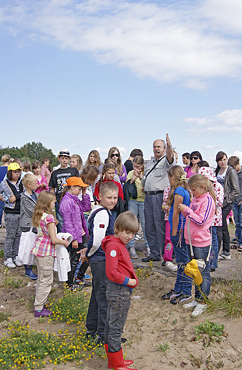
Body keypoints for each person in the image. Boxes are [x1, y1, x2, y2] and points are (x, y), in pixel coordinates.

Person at [79, 182, 118, 344]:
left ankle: (91, 329)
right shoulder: (102, 214)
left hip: (98, 259)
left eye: (115, 197)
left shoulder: (101, 211)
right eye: (108, 197)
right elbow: (97, 241)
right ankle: (103, 336)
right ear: (99, 197)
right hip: (100, 259)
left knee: (96, 295)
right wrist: (88, 254)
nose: (112, 200)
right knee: (103, 298)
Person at [102, 211, 139, 370]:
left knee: (112, 324)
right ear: (117, 228)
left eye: (133, 233)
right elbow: (112, 272)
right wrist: (129, 281)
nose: (129, 236)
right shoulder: (114, 245)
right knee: (116, 326)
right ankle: (116, 363)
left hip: (120, 290)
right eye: (127, 232)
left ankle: (114, 360)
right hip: (119, 291)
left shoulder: (118, 243)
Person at [179, 174, 216, 317]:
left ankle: (203, 302)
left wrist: (187, 211)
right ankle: (197, 298)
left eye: (194, 190)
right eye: (191, 190)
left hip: (201, 242)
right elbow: (192, 217)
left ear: (202, 187)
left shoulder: (207, 200)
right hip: (191, 241)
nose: (192, 193)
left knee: (203, 272)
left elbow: (201, 221)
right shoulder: (196, 199)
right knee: (195, 271)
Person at [31, 191, 70, 317]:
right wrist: (64, 242)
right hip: (46, 252)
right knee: (46, 280)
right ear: (48, 203)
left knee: (41, 277)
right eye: (53, 202)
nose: (55, 204)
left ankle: (40, 303)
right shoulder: (49, 218)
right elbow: (53, 239)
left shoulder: (39, 215)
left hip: (38, 249)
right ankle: (39, 307)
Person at [161, 166, 192, 304]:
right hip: (180, 229)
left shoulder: (179, 190)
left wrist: (174, 231)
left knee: (183, 262)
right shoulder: (182, 189)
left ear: (173, 177)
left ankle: (185, 292)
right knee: (180, 262)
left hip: (179, 230)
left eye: (169, 178)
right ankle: (178, 289)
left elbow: (176, 213)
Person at [142, 134, 174, 262]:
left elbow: (170, 157)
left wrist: (170, 146)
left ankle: (165, 254)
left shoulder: (166, 161)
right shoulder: (150, 162)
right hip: (148, 196)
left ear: (164, 148)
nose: (156, 149)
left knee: (159, 225)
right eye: (154, 147)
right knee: (149, 225)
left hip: (160, 196)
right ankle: (154, 253)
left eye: (159, 147)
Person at [59, 177, 91, 289]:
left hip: (81, 233)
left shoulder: (74, 199)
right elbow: (68, 223)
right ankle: (70, 283)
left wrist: (84, 194)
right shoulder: (67, 202)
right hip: (75, 236)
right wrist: (73, 239)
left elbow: (86, 207)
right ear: (72, 187)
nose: (81, 190)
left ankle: (78, 277)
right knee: (74, 259)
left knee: (88, 254)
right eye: (79, 188)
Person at [198, 167, 224, 271]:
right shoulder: (200, 187)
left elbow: (220, 202)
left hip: (213, 218)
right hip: (203, 218)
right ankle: (204, 260)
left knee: (213, 240)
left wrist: (206, 199)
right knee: (204, 240)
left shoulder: (217, 186)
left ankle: (213, 262)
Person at [215, 151, 239, 260]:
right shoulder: (217, 171)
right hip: (218, 202)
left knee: (221, 226)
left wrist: (227, 200)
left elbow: (236, 190)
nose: (223, 162)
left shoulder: (231, 171)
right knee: (223, 226)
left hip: (226, 203)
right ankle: (225, 251)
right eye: (220, 160)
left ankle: (224, 251)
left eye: (224, 159)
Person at [125, 156, 149, 259]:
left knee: (145, 224)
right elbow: (126, 186)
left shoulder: (146, 173)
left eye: (138, 167)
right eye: (134, 166)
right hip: (133, 200)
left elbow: (148, 185)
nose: (136, 169)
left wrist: (141, 177)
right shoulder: (131, 173)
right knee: (132, 223)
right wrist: (133, 178)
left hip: (143, 200)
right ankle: (131, 246)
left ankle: (148, 246)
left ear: (142, 166)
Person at [49, 149, 79, 232]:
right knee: (61, 221)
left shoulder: (73, 171)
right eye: (62, 158)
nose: (64, 160)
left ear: (69, 159)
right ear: (59, 159)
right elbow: (52, 188)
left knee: (73, 220)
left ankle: (73, 241)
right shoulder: (55, 173)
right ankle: (63, 241)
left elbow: (78, 185)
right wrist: (53, 200)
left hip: (71, 199)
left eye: (66, 158)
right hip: (59, 200)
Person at [0, 162, 23, 268]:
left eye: (18, 172)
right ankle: (7, 257)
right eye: (15, 172)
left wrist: (16, 197)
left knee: (18, 234)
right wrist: (2, 197)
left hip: (20, 211)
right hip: (11, 211)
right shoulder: (4, 183)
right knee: (10, 235)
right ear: (10, 173)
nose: (17, 174)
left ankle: (16, 255)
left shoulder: (21, 183)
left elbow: (24, 193)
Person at [228, 156, 242, 251]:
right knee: (238, 223)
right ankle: (238, 241)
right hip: (234, 200)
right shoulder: (231, 173)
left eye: (233, 166)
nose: (232, 169)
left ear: (238, 164)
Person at [20, 173, 39, 280]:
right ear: (29, 184)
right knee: (27, 246)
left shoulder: (35, 194)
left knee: (33, 245)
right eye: (35, 183)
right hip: (28, 225)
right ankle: (27, 268)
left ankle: (31, 265)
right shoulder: (24, 197)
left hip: (35, 225)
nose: (37, 184)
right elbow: (31, 211)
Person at [0, 154, 11, 228]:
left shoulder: (0, 168)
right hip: (8, 189)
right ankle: (7, 222)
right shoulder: (9, 169)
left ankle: (0, 222)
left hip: (0, 188)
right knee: (8, 206)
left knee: (0, 207)